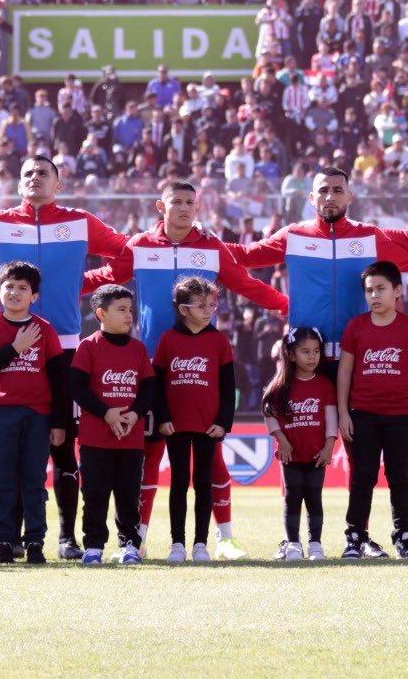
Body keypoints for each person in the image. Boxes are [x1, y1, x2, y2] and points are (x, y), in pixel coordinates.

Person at [83, 178, 288, 558]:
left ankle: (224, 539)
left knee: (213, 459)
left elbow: (246, 285)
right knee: (148, 455)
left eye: (189, 202)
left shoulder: (211, 247)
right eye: (175, 201)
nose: (183, 207)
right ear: (160, 207)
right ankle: (138, 540)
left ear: (198, 207)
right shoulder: (140, 245)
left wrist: (287, 306)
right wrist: (55, 289)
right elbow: (105, 278)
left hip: (199, 367)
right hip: (150, 369)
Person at [0, 155, 129, 559]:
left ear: (58, 184)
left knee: (63, 448)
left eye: (43, 173)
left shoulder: (81, 221)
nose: (34, 178)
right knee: (11, 459)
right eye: (27, 172)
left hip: (65, 347)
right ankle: (9, 539)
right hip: (11, 348)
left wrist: (83, 284)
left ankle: (66, 538)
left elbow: (128, 253)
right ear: (18, 184)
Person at [231, 167, 408, 361]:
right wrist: (202, 239)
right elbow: (247, 255)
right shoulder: (293, 236)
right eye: (323, 190)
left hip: (356, 355)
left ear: (349, 197)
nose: (330, 197)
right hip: (305, 357)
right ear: (312, 198)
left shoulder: (368, 236)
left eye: (338, 190)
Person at [0, 262, 69, 564]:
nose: (15, 292)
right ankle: (4, 540)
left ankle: (35, 543)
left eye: (22, 288)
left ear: (34, 296)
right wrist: (16, 347)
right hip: (2, 413)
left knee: (33, 480)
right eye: (9, 286)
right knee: (3, 479)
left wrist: (59, 423)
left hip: (38, 415)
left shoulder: (45, 329)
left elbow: (59, 381)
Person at [338, 261, 408, 560]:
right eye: (369, 290)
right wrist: (343, 413)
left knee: (399, 477)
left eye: (380, 289)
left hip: (400, 415)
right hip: (363, 413)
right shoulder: (356, 327)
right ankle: (355, 537)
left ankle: (404, 537)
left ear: (397, 291)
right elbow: (345, 372)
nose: (374, 295)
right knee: (363, 476)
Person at [71, 284, 156, 566]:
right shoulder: (88, 346)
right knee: (94, 495)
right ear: (100, 313)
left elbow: (149, 389)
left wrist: (134, 414)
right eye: (121, 309)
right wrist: (106, 413)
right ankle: (93, 546)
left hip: (131, 438)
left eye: (130, 309)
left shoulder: (138, 349)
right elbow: (77, 388)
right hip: (95, 438)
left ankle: (130, 545)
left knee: (129, 496)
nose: (129, 315)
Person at [153, 276, 236, 564]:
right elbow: (157, 383)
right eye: (200, 305)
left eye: (211, 305)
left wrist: (223, 422)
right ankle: (177, 544)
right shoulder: (167, 339)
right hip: (174, 425)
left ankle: (201, 544)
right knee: (179, 482)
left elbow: (228, 387)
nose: (208, 310)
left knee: (203, 482)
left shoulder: (219, 340)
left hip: (208, 425)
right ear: (183, 308)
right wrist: (162, 417)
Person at [262, 326, 337, 562]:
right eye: (306, 351)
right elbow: (268, 411)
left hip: (316, 454)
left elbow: (331, 418)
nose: (312, 356)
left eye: (316, 351)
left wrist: (329, 446)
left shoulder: (325, 385)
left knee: (315, 498)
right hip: (290, 454)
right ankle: (293, 544)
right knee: (292, 498)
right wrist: (281, 439)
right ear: (292, 354)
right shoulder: (281, 385)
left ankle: (315, 545)